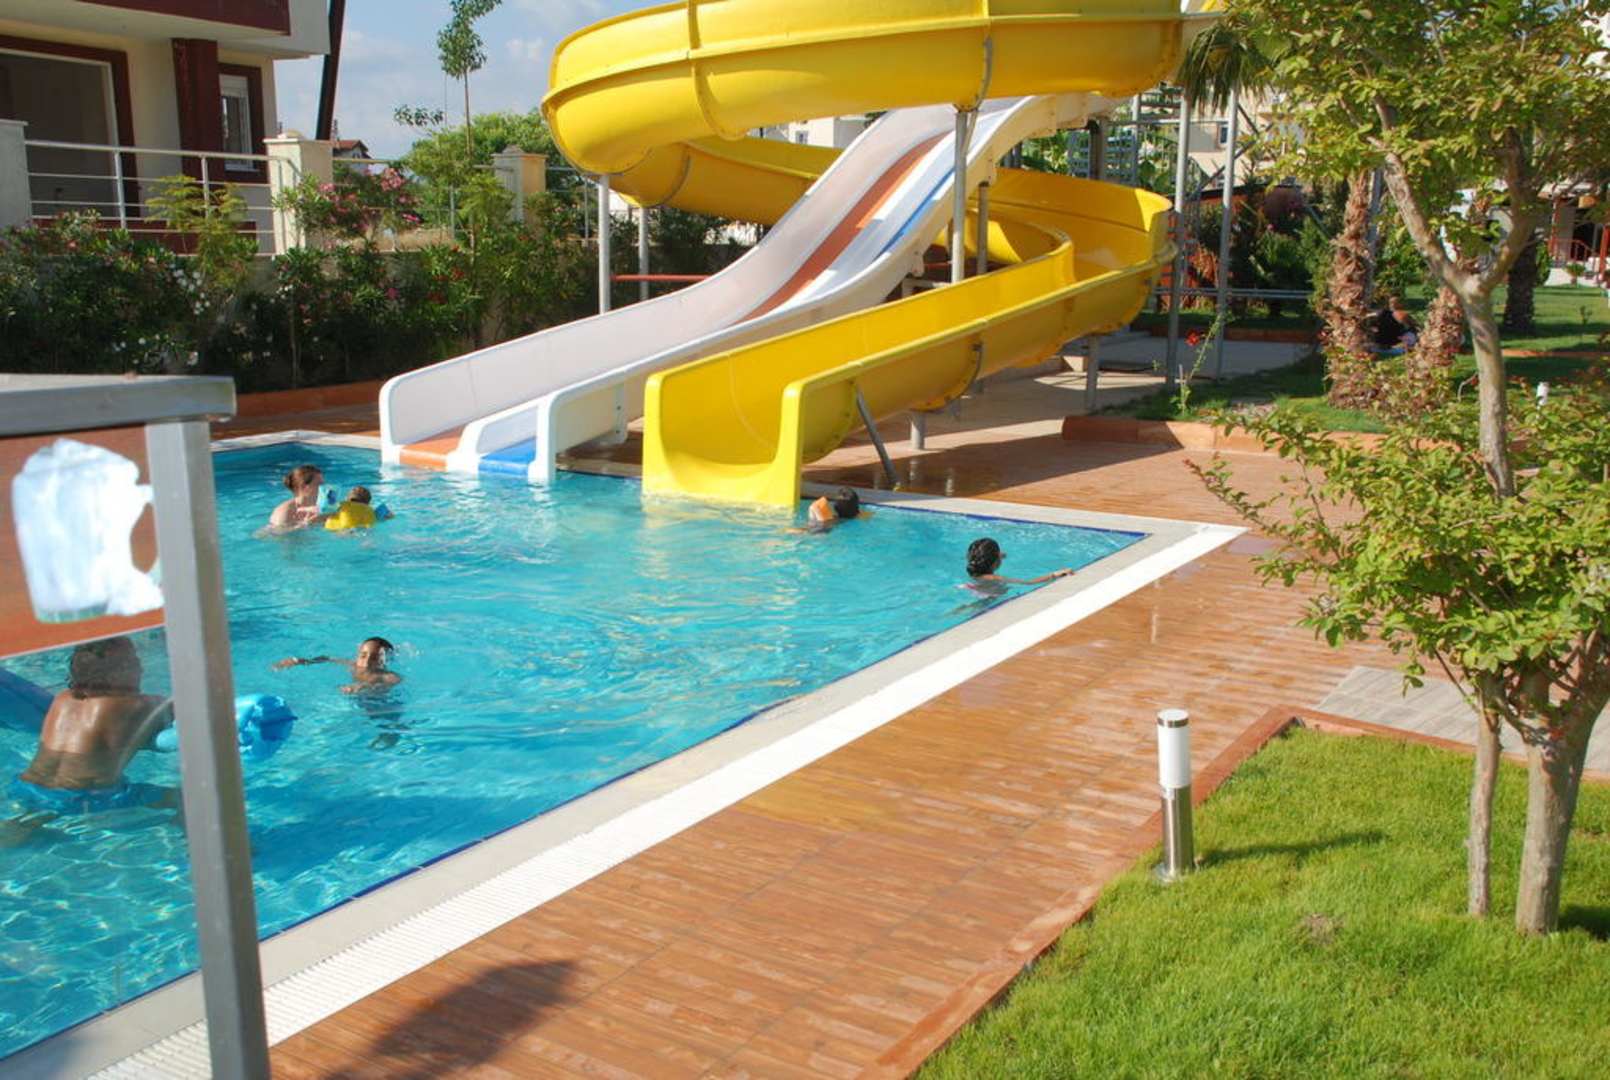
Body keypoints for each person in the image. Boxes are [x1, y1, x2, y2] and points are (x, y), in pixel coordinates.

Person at [9, 638, 174, 815]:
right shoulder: (136, 705)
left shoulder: (62, 698)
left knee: (32, 818)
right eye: (134, 662)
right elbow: (185, 705)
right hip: (82, 798)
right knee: (181, 799)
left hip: (25, 785)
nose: (141, 669)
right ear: (115, 674)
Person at [274, 636, 402, 694]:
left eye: (374, 658)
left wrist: (366, 686)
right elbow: (327, 658)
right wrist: (301, 661)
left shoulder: (388, 676)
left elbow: (392, 682)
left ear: (384, 660)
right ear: (357, 655)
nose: (367, 662)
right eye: (363, 656)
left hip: (382, 707)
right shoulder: (352, 665)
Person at [963, 537, 1074, 597]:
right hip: (987, 598)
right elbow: (1028, 583)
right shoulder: (996, 578)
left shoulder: (974, 572)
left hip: (973, 588)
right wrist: (1054, 574)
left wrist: (998, 556)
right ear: (995, 561)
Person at [268, 464, 328, 530]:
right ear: (304, 487)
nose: (325, 488)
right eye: (319, 484)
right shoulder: (284, 512)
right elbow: (275, 534)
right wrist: (308, 523)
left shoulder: (319, 506)